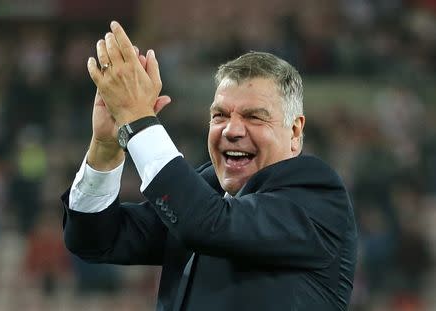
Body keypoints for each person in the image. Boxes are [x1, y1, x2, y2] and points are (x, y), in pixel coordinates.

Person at [61, 21, 357, 311]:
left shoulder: (317, 195)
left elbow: (206, 223)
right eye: (220, 116)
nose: (232, 130)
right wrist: (106, 147)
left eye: (254, 116)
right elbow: (95, 240)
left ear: (294, 132)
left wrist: (138, 121)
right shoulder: (206, 190)